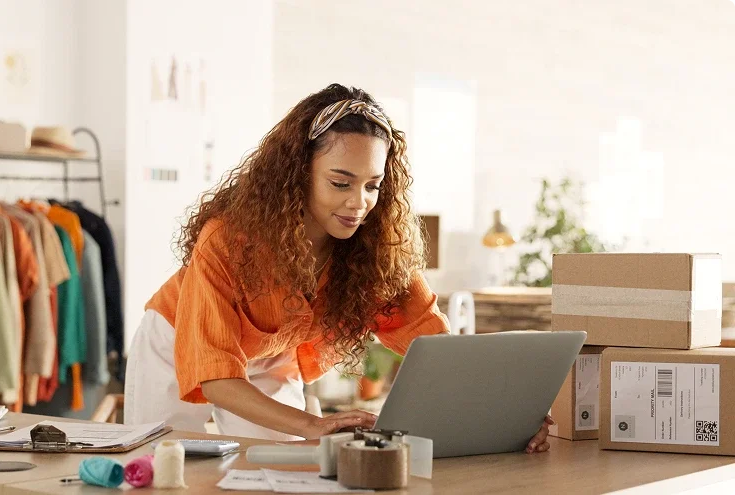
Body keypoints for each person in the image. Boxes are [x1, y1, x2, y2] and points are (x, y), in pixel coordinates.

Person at [124, 84, 553, 453]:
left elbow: (437, 347)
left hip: (269, 357)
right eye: (340, 182)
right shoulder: (227, 240)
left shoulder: (377, 252)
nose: (359, 203)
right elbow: (216, 375)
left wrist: (510, 410)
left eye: (372, 185)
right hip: (176, 340)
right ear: (298, 172)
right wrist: (312, 424)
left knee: (288, 472)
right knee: (165, 463)